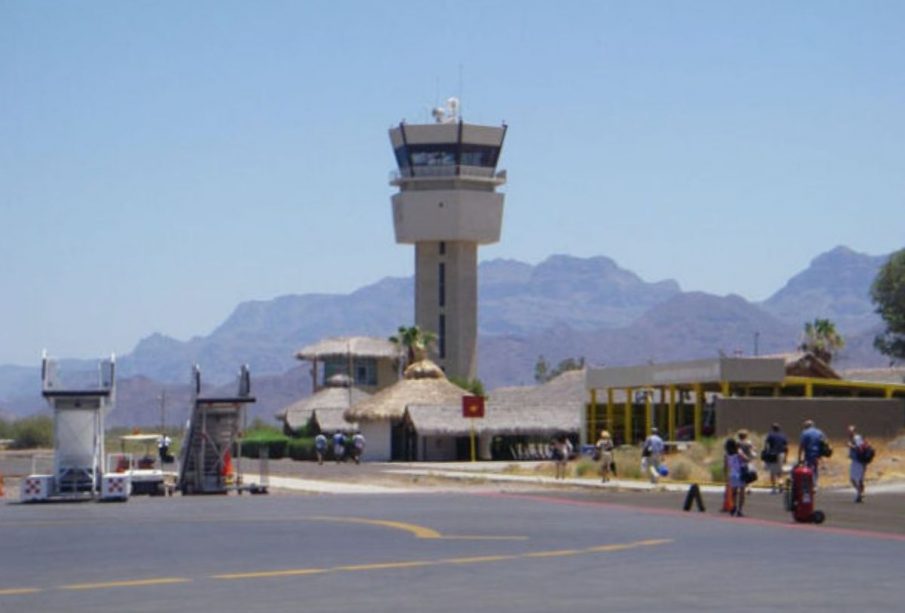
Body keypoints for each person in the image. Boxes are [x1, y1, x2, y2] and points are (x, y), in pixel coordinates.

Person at [797, 419, 827, 485]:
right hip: (818, 454)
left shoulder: (804, 433)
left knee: (808, 469)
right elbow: (825, 443)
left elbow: (801, 446)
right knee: (815, 468)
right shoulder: (819, 432)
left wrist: (799, 458)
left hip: (809, 454)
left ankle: (810, 483)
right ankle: (815, 483)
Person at [762, 423, 788, 493]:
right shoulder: (783, 436)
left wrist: (765, 454)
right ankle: (781, 484)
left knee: (772, 472)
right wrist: (786, 457)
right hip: (781, 454)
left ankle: (774, 487)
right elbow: (786, 447)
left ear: (772, 428)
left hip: (772, 454)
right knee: (780, 471)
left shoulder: (770, 435)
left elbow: (766, 445)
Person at [724, 437, 746, 517]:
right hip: (740, 473)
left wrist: (726, 477)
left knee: (734, 493)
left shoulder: (726, 454)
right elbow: (745, 459)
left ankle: (733, 507)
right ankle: (740, 509)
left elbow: (726, 467)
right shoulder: (739, 452)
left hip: (732, 474)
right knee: (742, 492)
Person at [847, 425, 866, 503]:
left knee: (855, 479)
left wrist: (850, 446)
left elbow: (859, 448)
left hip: (858, 462)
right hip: (855, 461)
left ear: (854, 431)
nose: (849, 433)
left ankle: (860, 494)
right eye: (848, 431)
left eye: (851, 431)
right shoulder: (853, 438)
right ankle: (860, 494)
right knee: (855, 479)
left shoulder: (857, 438)